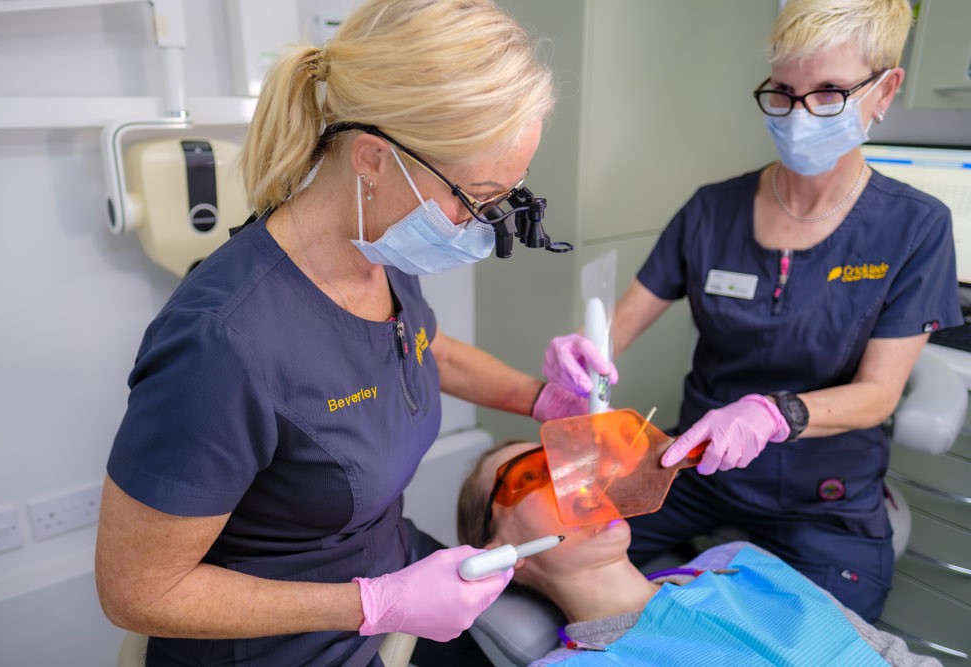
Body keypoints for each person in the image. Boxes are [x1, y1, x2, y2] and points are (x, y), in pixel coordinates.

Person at [94, 1, 583, 664]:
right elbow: (136, 592)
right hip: (280, 642)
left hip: (389, 571)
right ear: (374, 159)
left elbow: (420, 348)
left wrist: (540, 397)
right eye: (475, 201)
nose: (482, 225)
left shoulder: (379, 249)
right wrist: (374, 603)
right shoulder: (222, 344)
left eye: (505, 200)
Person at [541, 0, 961, 623]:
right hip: (695, 473)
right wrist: (582, 354)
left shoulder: (916, 227)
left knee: (815, 646)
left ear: (885, 90)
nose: (798, 115)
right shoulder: (713, 210)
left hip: (824, 501)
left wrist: (774, 413)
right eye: (783, 93)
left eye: (827, 95)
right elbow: (618, 327)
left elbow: (877, 396)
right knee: (555, 572)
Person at [457, 440, 942, 666]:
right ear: (504, 553)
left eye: (569, 461)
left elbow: (891, 656)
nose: (575, 480)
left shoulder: (739, 562)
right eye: (531, 476)